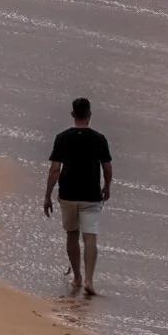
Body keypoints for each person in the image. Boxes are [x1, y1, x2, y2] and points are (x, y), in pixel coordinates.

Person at [43, 96, 112, 298]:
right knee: (90, 237)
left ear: (73, 115)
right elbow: (107, 168)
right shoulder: (99, 139)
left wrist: (47, 195)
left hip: (68, 195)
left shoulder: (62, 138)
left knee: (72, 235)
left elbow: (55, 169)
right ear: (89, 115)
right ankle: (90, 280)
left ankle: (78, 278)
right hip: (91, 195)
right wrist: (107, 186)